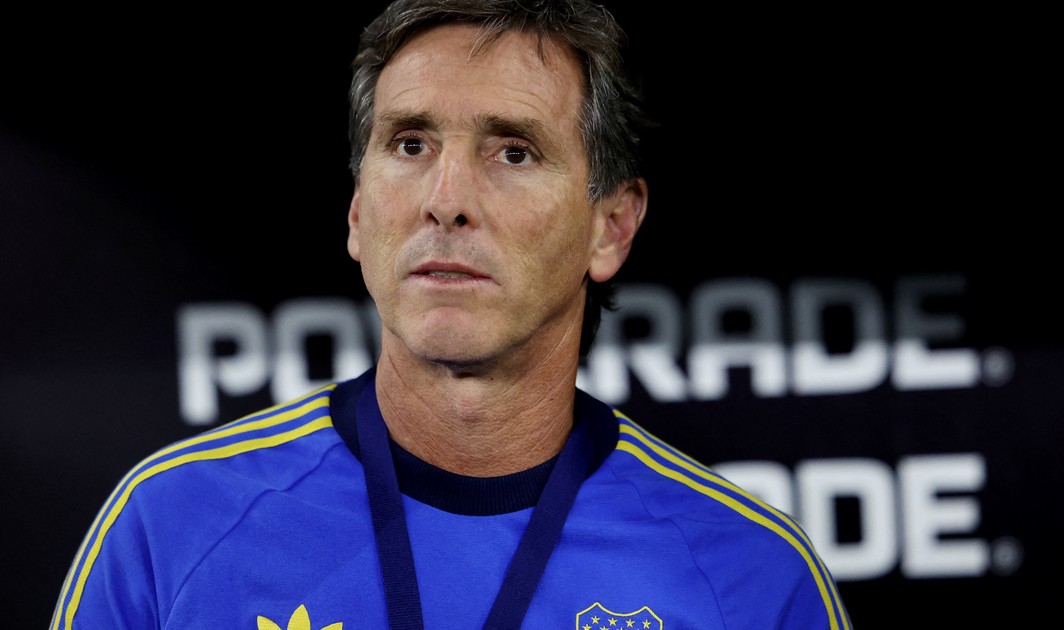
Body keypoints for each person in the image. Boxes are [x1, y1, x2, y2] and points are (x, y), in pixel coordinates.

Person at [50, 1, 852, 628]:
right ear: (358, 211)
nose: (447, 200)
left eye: (514, 151)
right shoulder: (171, 524)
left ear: (610, 226)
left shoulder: (753, 575)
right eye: (410, 144)